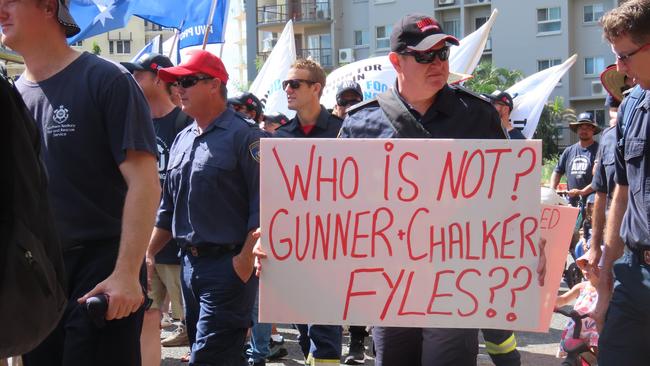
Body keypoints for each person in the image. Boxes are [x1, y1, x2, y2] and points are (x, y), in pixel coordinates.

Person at [336, 14, 535, 366]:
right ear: (396, 61)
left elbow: (509, 195)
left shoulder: (478, 115)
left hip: (455, 283)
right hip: (388, 285)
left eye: (443, 54)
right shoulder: (360, 123)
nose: (438, 64)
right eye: (425, 56)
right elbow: (329, 207)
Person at [2, 0, 161, 365]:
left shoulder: (107, 79)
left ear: (48, 7)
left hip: (101, 273)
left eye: (10, 1)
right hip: (38, 274)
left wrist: (125, 274)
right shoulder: (11, 96)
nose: (0, 11)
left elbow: (145, 183)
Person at [147, 49, 264, 365]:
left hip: (228, 266)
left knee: (208, 357)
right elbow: (168, 208)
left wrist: (242, 261)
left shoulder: (246, 135)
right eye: (176, 82)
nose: (178, 89)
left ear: (215, 84)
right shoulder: (183, 138)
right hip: (189, 265)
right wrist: (147, 254)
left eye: (187, 81)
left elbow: (264, 203)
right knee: (220, 354)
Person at [121, 53, 193, 364]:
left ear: (159, 78)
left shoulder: (186, 123)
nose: (133, 79)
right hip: (141, 240)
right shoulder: (136, 122)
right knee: (147, 316)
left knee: (193, 321)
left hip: (176, 242)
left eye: (139, 74)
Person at [274, 58, 344, 366]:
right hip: (293, 250)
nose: (288, 89)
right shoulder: (279, 139)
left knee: (325, 335)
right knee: (304, 333)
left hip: (334, 249)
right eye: (285, 84)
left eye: (295, 84)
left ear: (316, 88)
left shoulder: (345, 133)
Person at [592, 1, 650, 365]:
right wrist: (605, 284)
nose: (621, 69)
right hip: (634, 277)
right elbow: (621, 194)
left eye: (625, 56)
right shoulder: (630, 107)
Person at [550, 112, 601, 206]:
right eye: (581, 127)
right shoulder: (569, 151)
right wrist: (552, 190)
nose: (584, 130)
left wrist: (582, 192)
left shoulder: (599, 150)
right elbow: (557, 171)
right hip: (570, 201)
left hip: (592, 202)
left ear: (593, 130)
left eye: (588, 128)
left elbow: (600, 179)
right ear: (577, 130)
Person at [555, 252, 600, 359]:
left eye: (591, 267)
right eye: (584, 265)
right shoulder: (581, 287)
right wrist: (551, 300)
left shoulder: (607, 290)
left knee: (598, 356)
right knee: (572, 354)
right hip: (576, 328)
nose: (586, 269)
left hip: (595, 329)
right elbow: (563, 299)